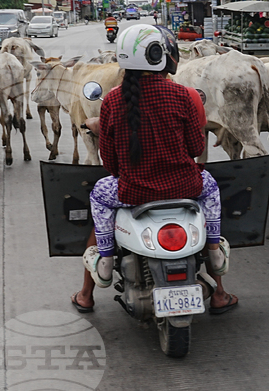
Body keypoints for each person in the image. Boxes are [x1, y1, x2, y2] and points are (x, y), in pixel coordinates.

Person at [71, 24, 236, 315]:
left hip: (134, 192)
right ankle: (213, 249)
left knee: (99, 193)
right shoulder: (183, 96)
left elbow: (110, 165)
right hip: (185, 187)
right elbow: (197, 149)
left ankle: (106, 259)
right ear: (161, 57)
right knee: (210, 185)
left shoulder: (110, 101)